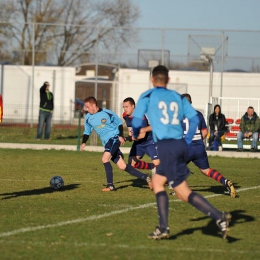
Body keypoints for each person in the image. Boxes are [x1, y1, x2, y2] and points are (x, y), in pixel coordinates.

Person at [132, 65, 231, 240]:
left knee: (182, 192)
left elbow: (137, 121)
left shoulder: (147, 96)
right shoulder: (178, 98)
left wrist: (137, 130)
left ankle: (218, 217)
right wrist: (186, 141)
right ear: (168, 80)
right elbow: (194, 120)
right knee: (157, 182)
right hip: (179, 145)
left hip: (166, 147)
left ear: (152, 80)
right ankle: (163, 227)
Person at [80, 96, 152, 191]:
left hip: (114, 139)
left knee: (105, 158)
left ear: (94, 105)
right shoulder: (88, 117)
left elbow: (119, 124)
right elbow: (87, 131)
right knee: (122, 166)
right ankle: (146, 177)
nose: (86, 109)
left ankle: (110, 185)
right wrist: (83, 142)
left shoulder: (107, 113)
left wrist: (120, 135)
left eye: (88, 107)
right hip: (106, 143)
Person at [182, 93, 236, 198]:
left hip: (187, 147)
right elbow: (205, 133)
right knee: (206, 170)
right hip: (199, 147)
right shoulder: (198, 114)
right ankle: (225, 181)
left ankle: (179, 189)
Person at [122, 97, 159, 174]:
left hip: (149, 142)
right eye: (124, 107)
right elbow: (130, 130)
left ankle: (172, 180)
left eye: (127, 107)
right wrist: (130, 135)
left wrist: (127, 138)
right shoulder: (125, 115)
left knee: (158, 163)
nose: (125, 109)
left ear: (133, 106)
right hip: (138, 143)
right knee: (132, 163)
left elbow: (142, 136)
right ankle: (151, 167)